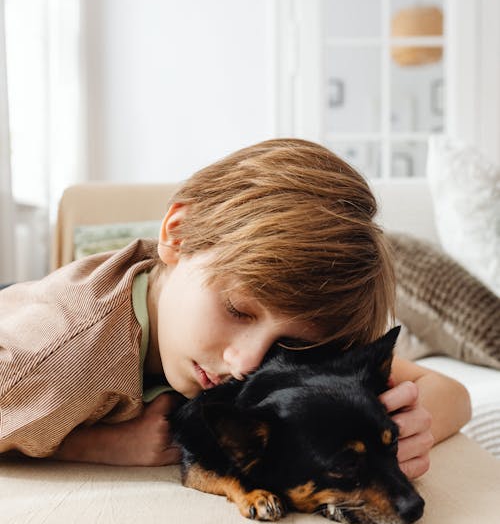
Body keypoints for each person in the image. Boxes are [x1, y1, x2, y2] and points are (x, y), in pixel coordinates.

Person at [0, 138, 471, 479]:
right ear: (177, 235)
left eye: (289, 343)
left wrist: (402, 428)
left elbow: (451, 391)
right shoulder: (59, 358)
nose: (246, 364)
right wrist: (99, 445)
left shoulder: (287, 328)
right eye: (237, 310)